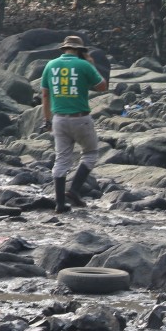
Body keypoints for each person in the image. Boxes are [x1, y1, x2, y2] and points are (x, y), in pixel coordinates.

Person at [40, 35, 108, 213]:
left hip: (58, 119)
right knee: (90, 154)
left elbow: (45, 95)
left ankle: (60, 204)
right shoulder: (84, 65)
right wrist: (91, 65)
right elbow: (102, 87)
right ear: (80, 50)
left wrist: (47, 120)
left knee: (61, 160)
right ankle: (74, 190)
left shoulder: (50, 65)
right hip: (80, 119)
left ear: (64, 48)